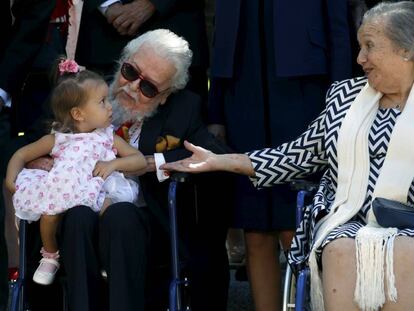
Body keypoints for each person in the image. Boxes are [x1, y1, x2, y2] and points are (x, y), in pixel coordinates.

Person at [163, 2, 414, 310]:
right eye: (359, 47)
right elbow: (295, 156)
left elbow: (335, 26)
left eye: (369, 47)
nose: (359, 58)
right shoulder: (347, 97)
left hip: (408, 216)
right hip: (348, 215)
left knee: (403, 248)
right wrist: (220, 161)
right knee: (338, 247)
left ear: (406, 50)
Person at [28, 29, 231, 311]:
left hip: (142, 225)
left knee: (120, 216)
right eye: (130, 71)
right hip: (77, 213)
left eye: (149, 88)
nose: (133, 87)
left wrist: (154, 163)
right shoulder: (87, 89)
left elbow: (216, 154)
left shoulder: (183, 109)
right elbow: (34, 135)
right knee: (77, 216)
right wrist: (37, 159)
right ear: (122, 61)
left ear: (165, 95)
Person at [207, 0, 352, 309]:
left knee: (296, 224)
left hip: (306, 92)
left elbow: (340, 31)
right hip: (241, 95)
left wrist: (342, 98)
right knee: (255, 228)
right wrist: (216, 111)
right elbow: (221, 34)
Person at [5, 59, 146, 287]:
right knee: (49, 215)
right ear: (78, 114)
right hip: (68, 190)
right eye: (102, 102)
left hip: (98, 190)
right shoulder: (57, 139)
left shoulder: (109, 137)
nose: (110, 107)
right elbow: (21, 154)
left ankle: (104, 260)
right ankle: (50, 255)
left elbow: (138, 160)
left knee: (109, 211)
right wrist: (11, 179)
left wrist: (112, 165)